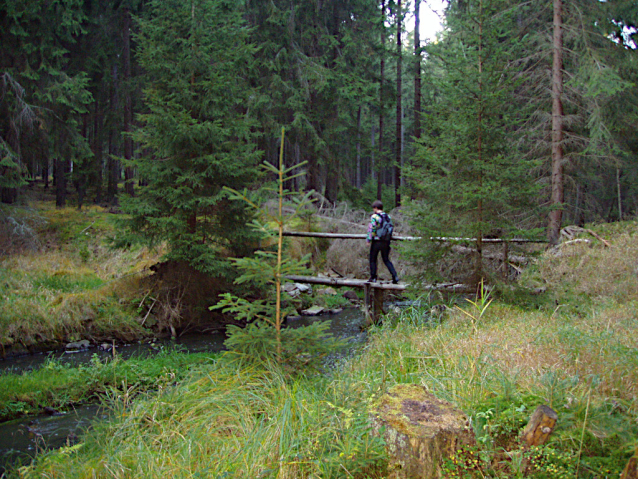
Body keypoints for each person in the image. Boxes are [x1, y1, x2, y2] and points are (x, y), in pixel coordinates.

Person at [367, 200, 399, 284]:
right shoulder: (387, 216)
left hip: (377, 240)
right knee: (386, 259)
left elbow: (372, 228)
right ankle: (395, 276)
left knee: (373, 259)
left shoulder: (375, 216)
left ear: (376, 208)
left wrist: (369, 239)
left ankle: (373, 277)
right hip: (386, 241)